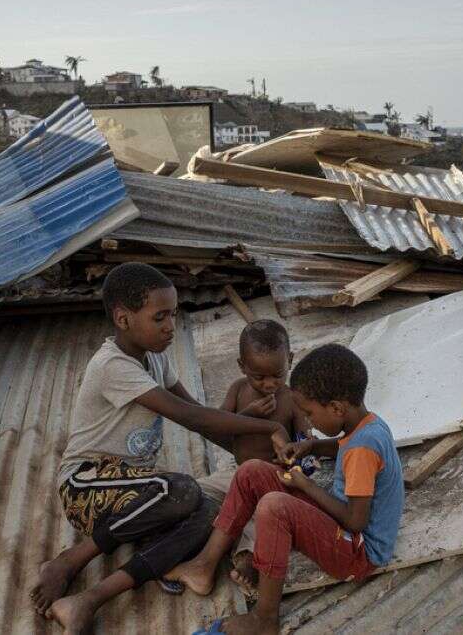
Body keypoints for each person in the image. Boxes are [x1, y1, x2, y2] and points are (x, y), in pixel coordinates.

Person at [28, 262, 293, 635]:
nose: (171, 326)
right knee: (183, 490)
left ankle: (89, 600)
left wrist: (254, 466)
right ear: (123, 318)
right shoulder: (112, 366)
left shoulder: (155, 357)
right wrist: (270, 426)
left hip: (138, 492)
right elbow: (191, 418)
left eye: (174, 314)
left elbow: (201, 416)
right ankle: (70, 561)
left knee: (212, 510)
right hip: (86, 486)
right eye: (160, 317)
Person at [168, 344, 404, 635]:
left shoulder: (363, 450)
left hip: (359, 552)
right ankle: (204, 566)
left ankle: (264, 619)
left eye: (310, 413)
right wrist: (313, 445)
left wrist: (305, 485)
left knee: (274, 506)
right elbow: (343, 446)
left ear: (336, 408)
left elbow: (356, 521)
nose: (310, 421)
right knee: (251, 471)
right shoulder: (367, 425)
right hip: (344, 528)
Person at [195, 318, 317, 594]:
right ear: (241, 367)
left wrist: (300, 449)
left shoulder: (292, 399)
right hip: (238, 476)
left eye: (277, 374)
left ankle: (249, 561)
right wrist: (249, 415)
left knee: (260, 517)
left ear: (291, 361)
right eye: (258, 377)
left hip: (273, 479)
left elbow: (307, 438)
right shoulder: (238, 389)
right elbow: (219, 424)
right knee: (196, 490)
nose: (269, 383)